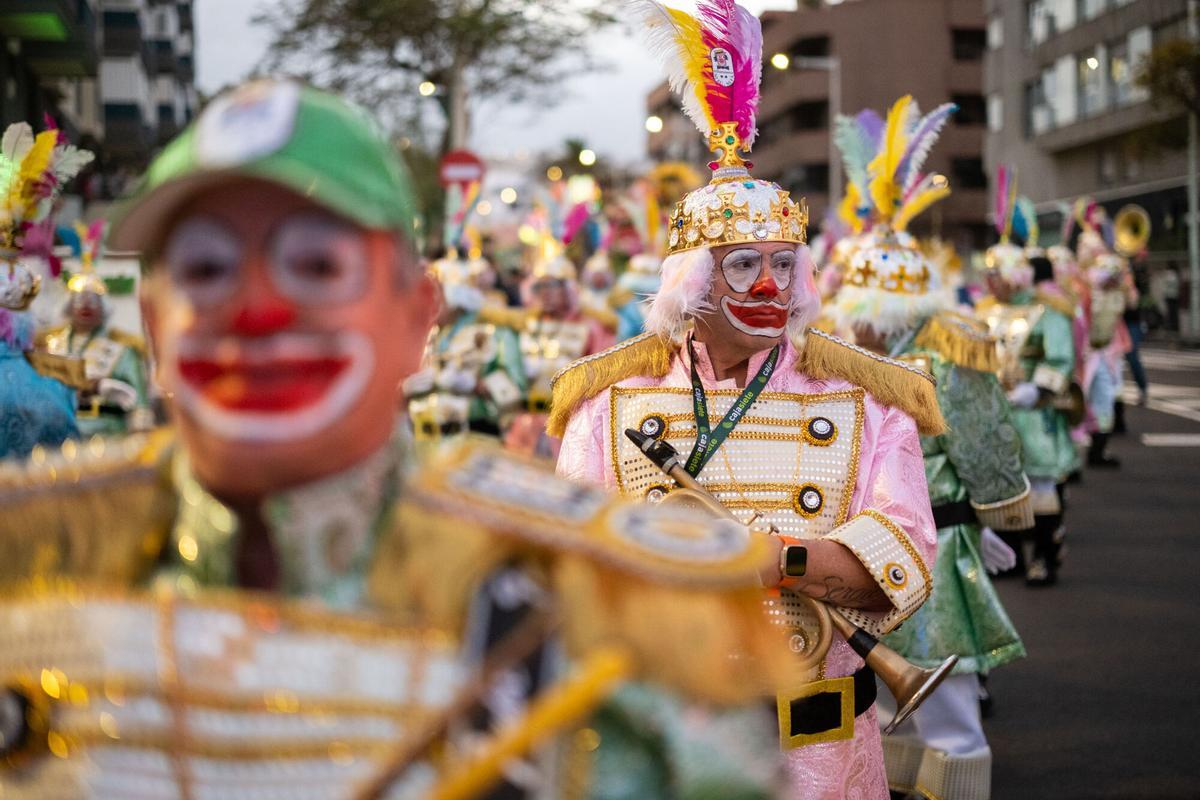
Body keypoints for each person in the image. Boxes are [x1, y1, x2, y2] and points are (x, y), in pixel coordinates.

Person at [0, 79, 795, 799]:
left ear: (418, 317)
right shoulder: (33, 566)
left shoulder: (611, 623)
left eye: (315, 264)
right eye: (206, 269)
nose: (256, 312)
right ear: (152, 325)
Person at [552, 9, 940, 796]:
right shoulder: (608, 400)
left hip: (822, 760)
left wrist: (770, 560)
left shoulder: (867, 398)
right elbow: (564, 572)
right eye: (741, 267)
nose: (770, 287)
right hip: (662, 756)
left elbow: (905, 558)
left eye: (783, 265)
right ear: (692, 281)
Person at [826, 96, 1031, 800]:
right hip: (860, 557)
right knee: (878, 718)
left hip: (939, 552)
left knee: (949, 707)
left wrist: (997, 516)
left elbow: (984, 446)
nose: (862, 334)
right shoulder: (845, 365)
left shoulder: (948, 358)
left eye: (869, 321)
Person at [977, 240, 1079, 587]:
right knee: (1002, 486)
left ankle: (1045, 559)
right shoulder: (982, 311)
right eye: (988, 275)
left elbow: (1061, 357)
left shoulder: (1047, 311)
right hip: (995, 414)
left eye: (997, 274)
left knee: (1040, 487)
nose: (990, 282)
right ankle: (1012, 556)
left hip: (1035, 414)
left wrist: (1037, 387)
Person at [38, 222, 153, 437]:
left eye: (93, 300)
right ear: (69, 306)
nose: (86, 305)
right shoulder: (50, 346)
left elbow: (141, 408)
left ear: (104, 307)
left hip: (108, 437)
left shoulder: (122, 350)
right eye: (80, 299)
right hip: (57, 438)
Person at [405, 254, 526, 440]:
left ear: (457, 297)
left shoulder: (497, 333)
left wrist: (475, 385)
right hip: (423, 443)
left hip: (475, 441)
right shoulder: (428, 335)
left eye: (435, 293)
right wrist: (404, 390)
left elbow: (516, 392)